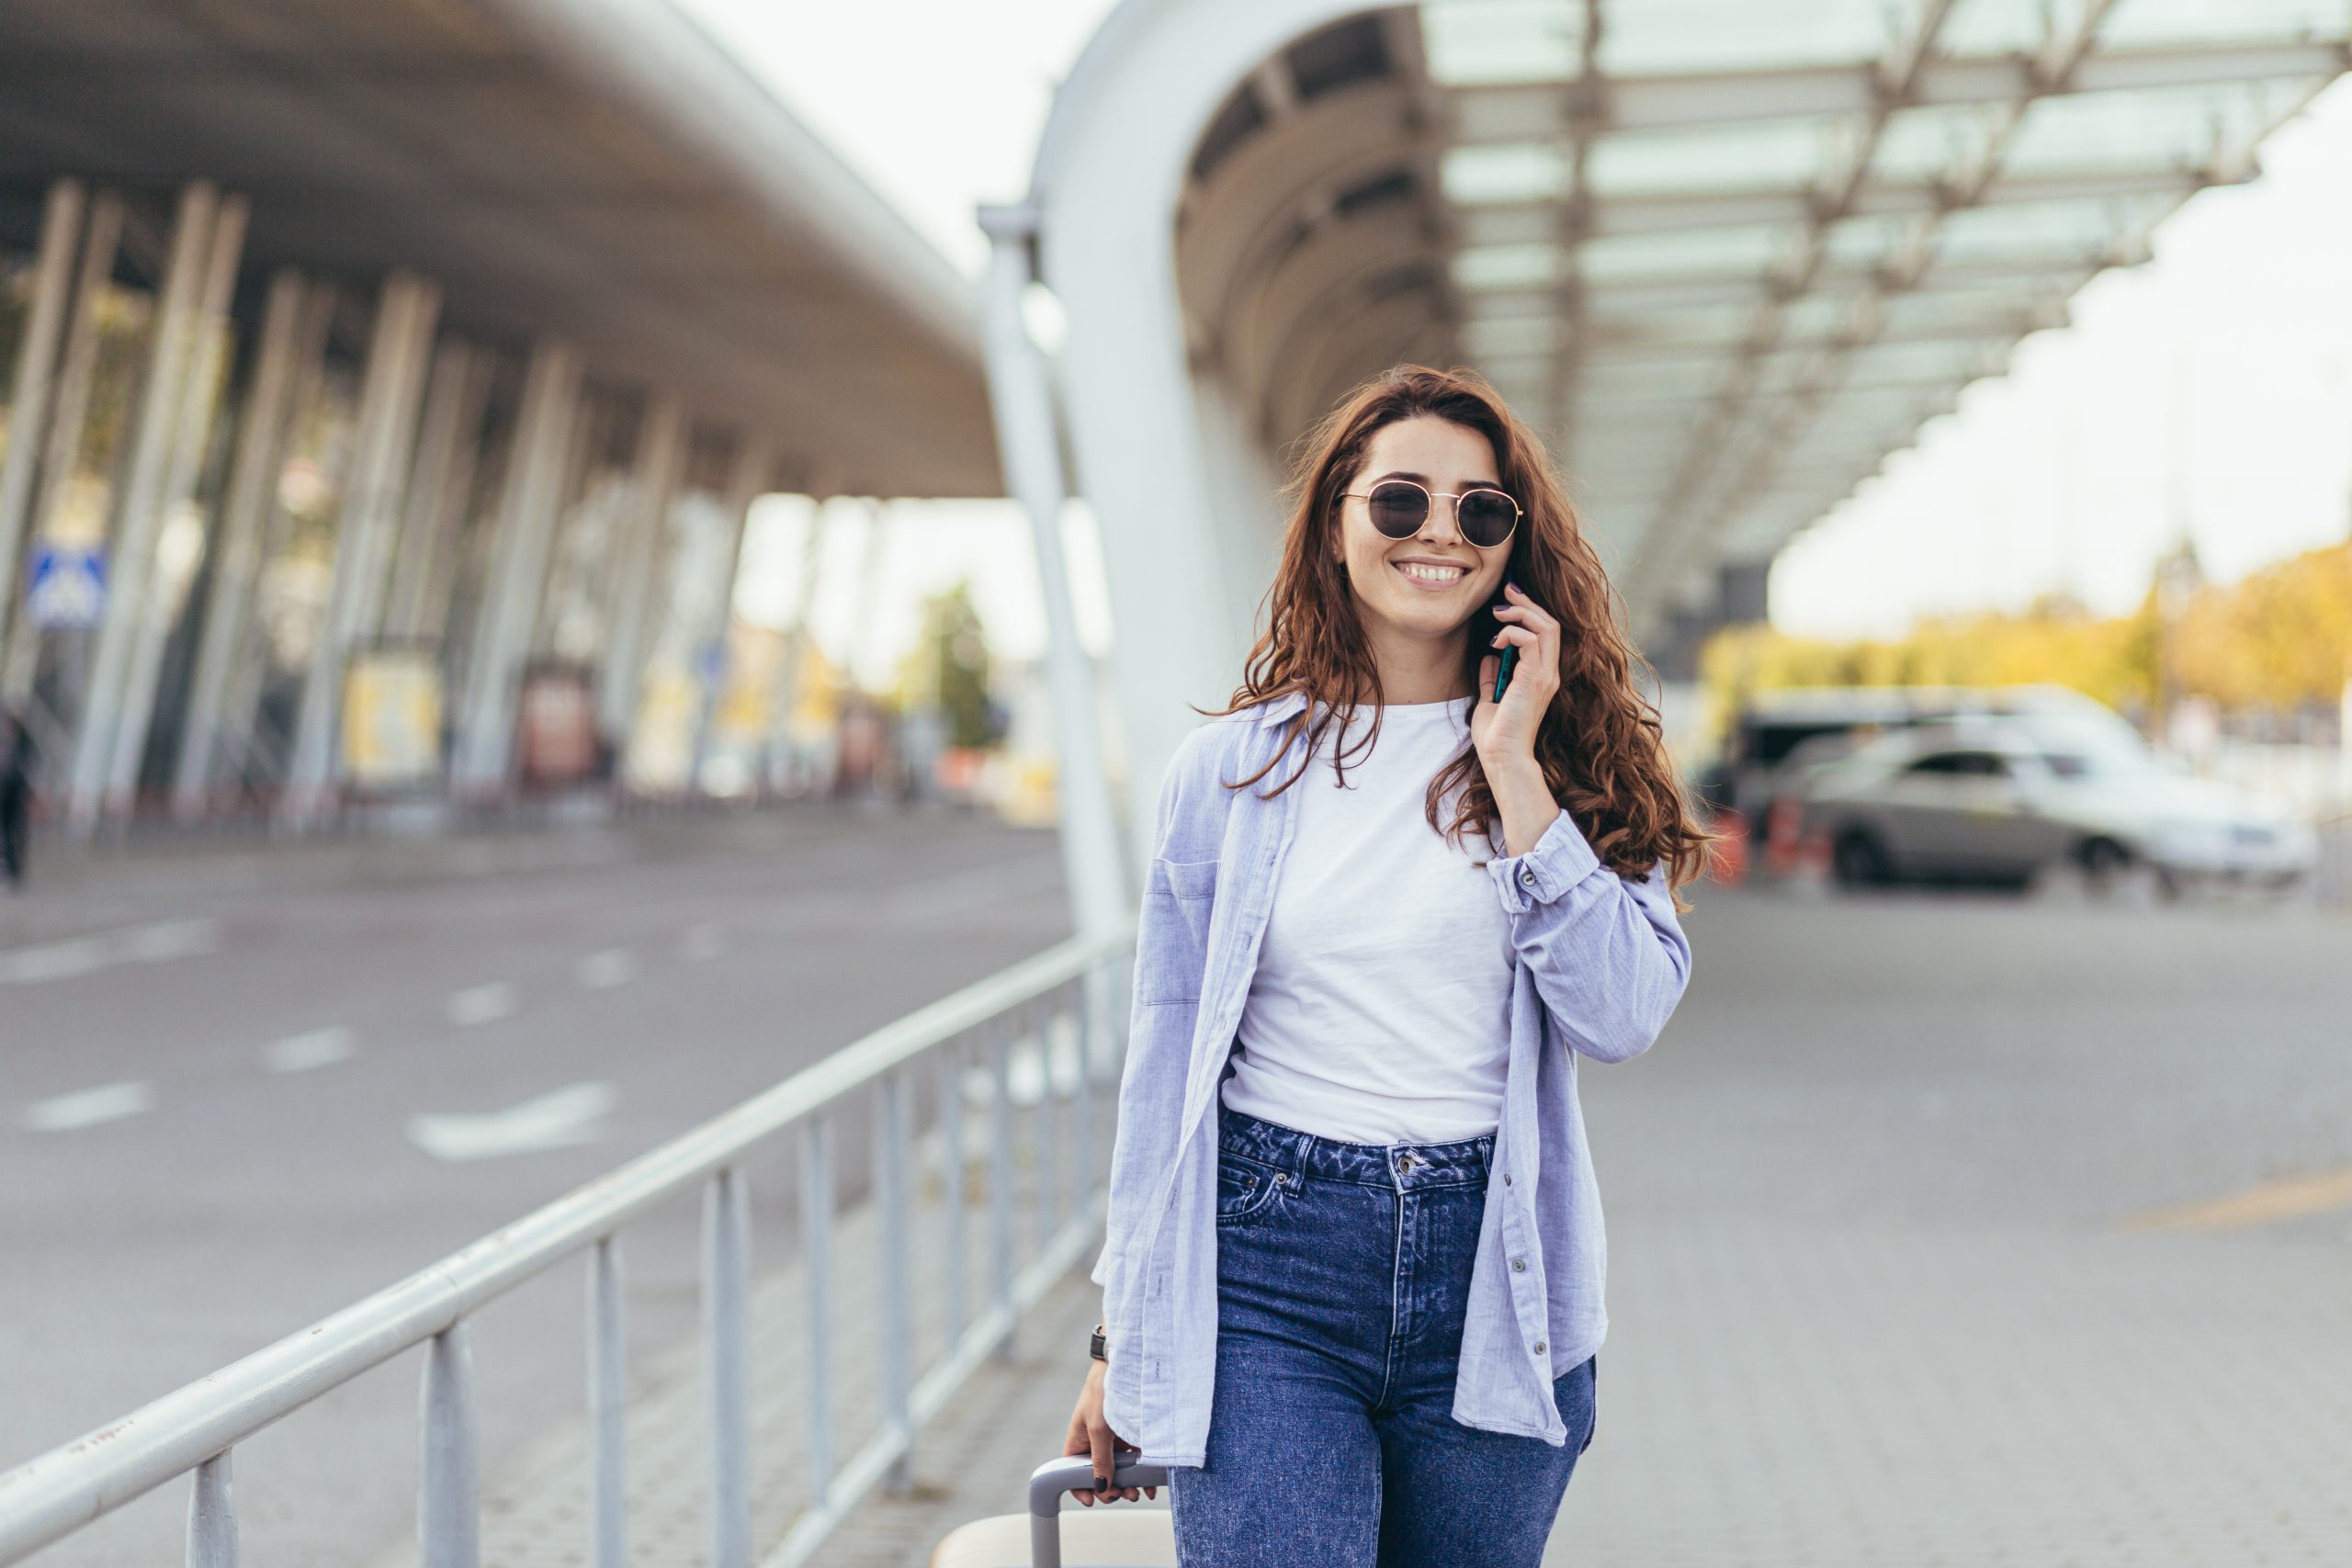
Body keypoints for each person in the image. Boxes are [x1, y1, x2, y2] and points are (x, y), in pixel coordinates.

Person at [1063, 366, 1709, 1566]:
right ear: (1336, 521)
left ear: (1517, 542)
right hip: (1266, 1268)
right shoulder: (1228, 776)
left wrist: (1515, 767)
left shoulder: (1571, 768)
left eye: (1480, 509)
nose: (1439, 533)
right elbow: (1165, 1066)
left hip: (1496, 1275)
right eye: (1401, 500)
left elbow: (1621, 1014)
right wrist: (1123, 1330)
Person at [2, 703, 32, 890]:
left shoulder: (23, 742)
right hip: (7, 793)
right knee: (7, 832)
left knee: (14, 832)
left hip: (15, 794)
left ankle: (14, 871)